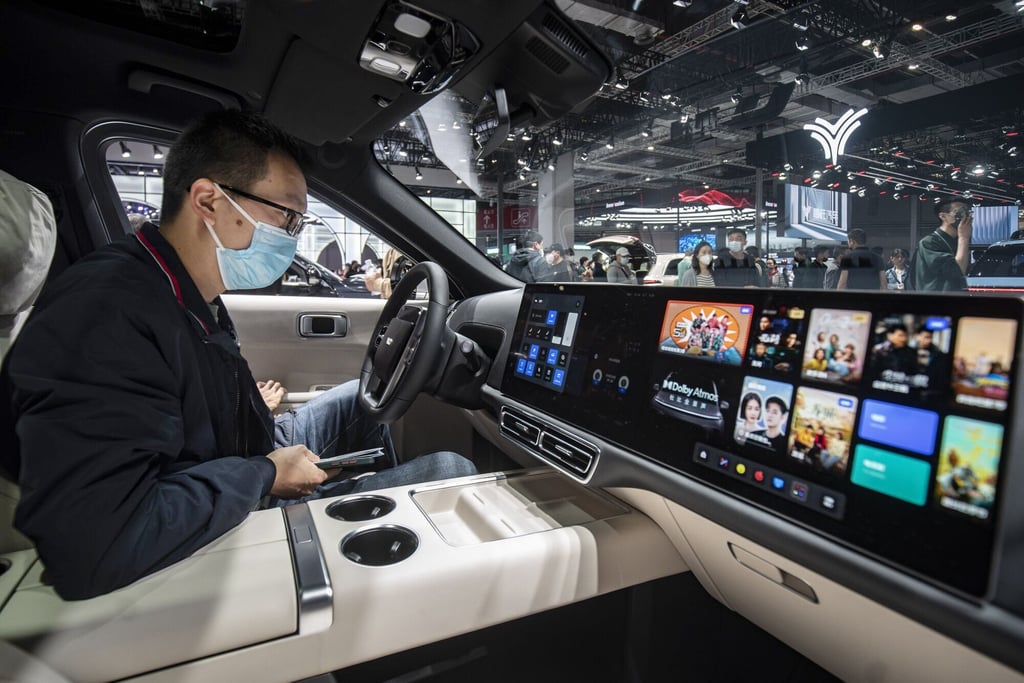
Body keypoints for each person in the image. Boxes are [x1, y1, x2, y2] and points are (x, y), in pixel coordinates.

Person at [0, 110, 476, 601]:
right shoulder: (104, 314)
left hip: (235, 452)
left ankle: (372, 524)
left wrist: (252, 418)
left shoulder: (179, 288)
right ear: (209, 200)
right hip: (225, 512)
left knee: (359, 399)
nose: (292, 236)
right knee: (450, 473)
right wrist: (266, 473)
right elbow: (96, 544)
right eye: (286, 216)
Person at [914, 201, 972, 292]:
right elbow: (956, 272)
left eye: (966, 211)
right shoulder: (929, 243)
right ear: (943, 216)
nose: (964, 216)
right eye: (959, 211)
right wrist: (964, 238)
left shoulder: (958, 241)